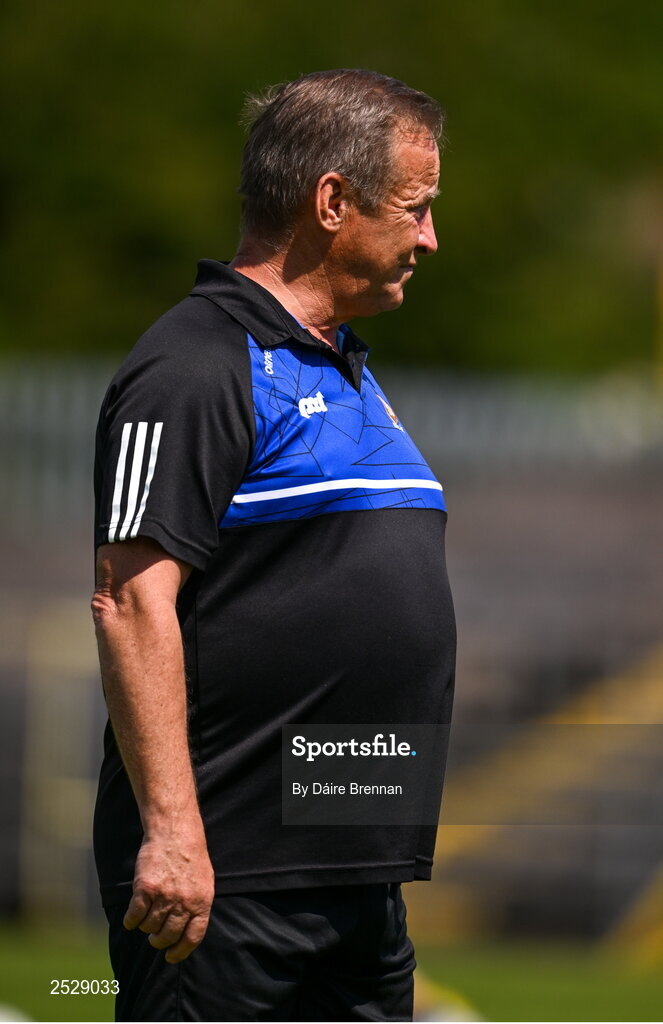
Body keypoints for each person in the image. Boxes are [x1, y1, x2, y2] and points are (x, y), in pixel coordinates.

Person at [92, 68, 456, 1022]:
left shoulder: (343, 367)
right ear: (332, 202)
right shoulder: (195, 363)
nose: (429, 237)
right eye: (414, 209)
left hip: (350, 878)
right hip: (228, 879)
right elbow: (130, 600)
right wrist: (174, 835)